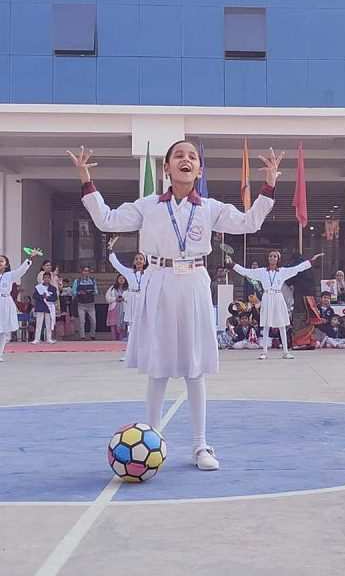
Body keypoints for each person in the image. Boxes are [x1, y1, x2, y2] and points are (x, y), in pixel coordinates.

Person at [69, 141, 281, 470]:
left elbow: (250, 223)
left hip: (195, 281)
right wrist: (86, 179)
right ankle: (150, 441)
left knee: (194, 366)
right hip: (158, 280)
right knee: (159, 365)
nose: (186, 160)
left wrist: (268, 184)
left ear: (199, 170)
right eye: (178, 156)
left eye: (192, 156)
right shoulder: (148, 205)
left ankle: (200, 446)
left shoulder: (211, 208)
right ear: (166, 168)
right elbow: (107, 220)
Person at [227, 250, 324, 360]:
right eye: (271, 256)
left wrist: (311, 261)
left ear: (278, 259)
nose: (273, 258)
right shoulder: (261, 272)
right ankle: (264, 352)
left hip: (278, 297)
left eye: (275, 256)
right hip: (267, 297)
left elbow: (297, 268)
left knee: (282, 324)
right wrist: (232, 264)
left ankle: (286, 352)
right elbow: (246, 271)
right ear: (268, 258)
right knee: (266, 324)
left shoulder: (283, 271)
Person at [107, 237, 148, 360]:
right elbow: (116, 264)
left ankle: (145, 353)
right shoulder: (129, 272)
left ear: (145, 261)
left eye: (141, 259)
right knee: (131, 328)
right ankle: (130, 354)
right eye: (137, 259)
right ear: (134, 262)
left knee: (145, 327)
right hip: (132, 300)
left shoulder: (150, 273)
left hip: (144, 300)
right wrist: (110, 250)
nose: (139, 261)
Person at [0, 250, 42, 360]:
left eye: (2, 261)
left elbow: (22, 270)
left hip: (5, 302)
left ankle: (0, 353)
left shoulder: (10, 275)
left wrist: (31, 258)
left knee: (4, 330)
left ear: (6, 265)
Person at [72, 266, 98, 340]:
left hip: (91, 304)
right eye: (84, 271)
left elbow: (96, 291)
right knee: (82, 321)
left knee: (94, 321)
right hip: (81, 304)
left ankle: (92, 335)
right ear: (82, 272)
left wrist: (91, 292)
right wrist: (79, 292)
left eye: (87, 271)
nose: (86, 272)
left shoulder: (93, 281)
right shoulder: (77, 281)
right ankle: (82, 336)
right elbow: (73, 292)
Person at [32, 271, 58, 344]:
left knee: (48, 324)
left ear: (50, 279)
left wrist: (47, 298)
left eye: (48, 278)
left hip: (49, 308)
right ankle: (37, 339)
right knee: (39, 323)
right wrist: (42, 297)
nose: (46, 279)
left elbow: (55, 298)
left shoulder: (53, 288)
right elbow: (34, 296)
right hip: (40, 306)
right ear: (43, 278)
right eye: (45, 277)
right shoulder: (38, 287)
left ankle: (49, 338)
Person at [105, 274, 128, 341]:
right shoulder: (112, 288)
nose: (121, 280)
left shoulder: (128, 288)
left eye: (123, 278)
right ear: (117, 279)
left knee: (123, 326)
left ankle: (122, 340)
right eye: (120, 278)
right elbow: (107, 298)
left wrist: (123, 299)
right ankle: (114, 341)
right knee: (113, 325)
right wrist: (115, 299)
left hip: (124, 309)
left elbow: (130, 298)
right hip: (114, 309)